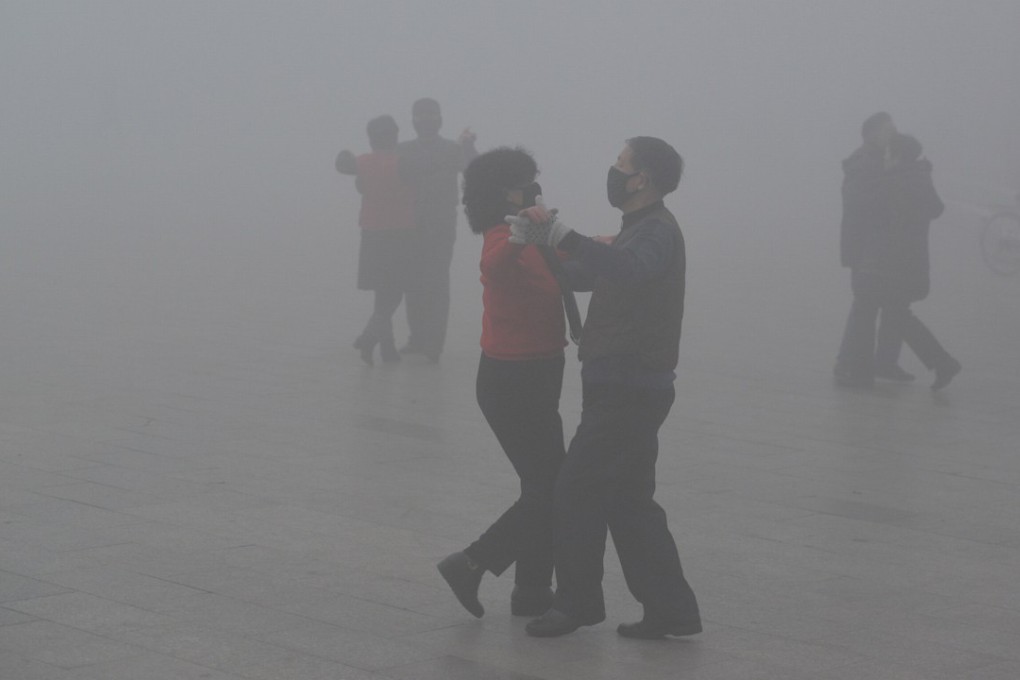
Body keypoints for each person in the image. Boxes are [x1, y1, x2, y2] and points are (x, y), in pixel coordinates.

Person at [508, 137, 702, 639]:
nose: (613, 173)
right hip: (622, 383)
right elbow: (585, 272)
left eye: (621, 165)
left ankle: (577, 603)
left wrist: (563, 235)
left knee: (575, 490)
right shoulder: (636, 229)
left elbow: (629, 270)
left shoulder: (655, 232)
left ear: (643, 179)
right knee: (630, 499)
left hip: (630, 387)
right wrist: (539, 243)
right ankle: (671, 608)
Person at [436, 147, 568, 619]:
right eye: (521, 185)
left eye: (533, 181)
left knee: (544, 485)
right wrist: (520, 232)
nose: (531, 190)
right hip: (511, 381)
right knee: (553, 486)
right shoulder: (502, 236)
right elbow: (494, 265)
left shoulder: (535, 235)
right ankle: (472, 562)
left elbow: (580, 253)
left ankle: (531, 590)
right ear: (500, 195)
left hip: (541, 373)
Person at [873, 133, 960, 390]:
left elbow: (894, 219)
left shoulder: (903, 180)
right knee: (893, 310)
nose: (885, 157)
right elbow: (936, 209)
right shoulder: (915, 177)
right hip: (911, 258)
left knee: (897, 312)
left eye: (888, 152)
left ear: (898, 156)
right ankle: (885, 363)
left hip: (900, 259)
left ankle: (943, 362)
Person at [397, 98, 478, 362]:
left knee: (437, 283)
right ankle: (418, 338)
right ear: (413, 121)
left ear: (439, 120)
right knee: (412, 282)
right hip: (409, 225)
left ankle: (434, 343)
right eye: (421, 116)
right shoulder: (402, 150)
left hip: (441, 225)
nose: (426, 121)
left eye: (431, 116)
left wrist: (469, 146)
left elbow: (474, 169)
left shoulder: (452, 149)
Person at [336, 115, 416, 365]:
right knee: (391, 296)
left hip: (371, 234)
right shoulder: (402, 163)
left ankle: (387, 349)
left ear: (371, 139)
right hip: (400, 234)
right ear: (394, 137)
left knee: (382, 294)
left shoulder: (362, 163)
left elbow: (342, 164)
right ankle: (369, 338)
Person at [834, 112, 901, 387]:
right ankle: (849, 364)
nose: (893, 134)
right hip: (864, 248)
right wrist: (888, 176)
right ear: (872, 134)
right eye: (888, 129)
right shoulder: (865, 163)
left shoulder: (875, 161)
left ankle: (849, 362)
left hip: (870, 247)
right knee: (865, 305)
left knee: (865, 304)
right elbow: (857, 203)